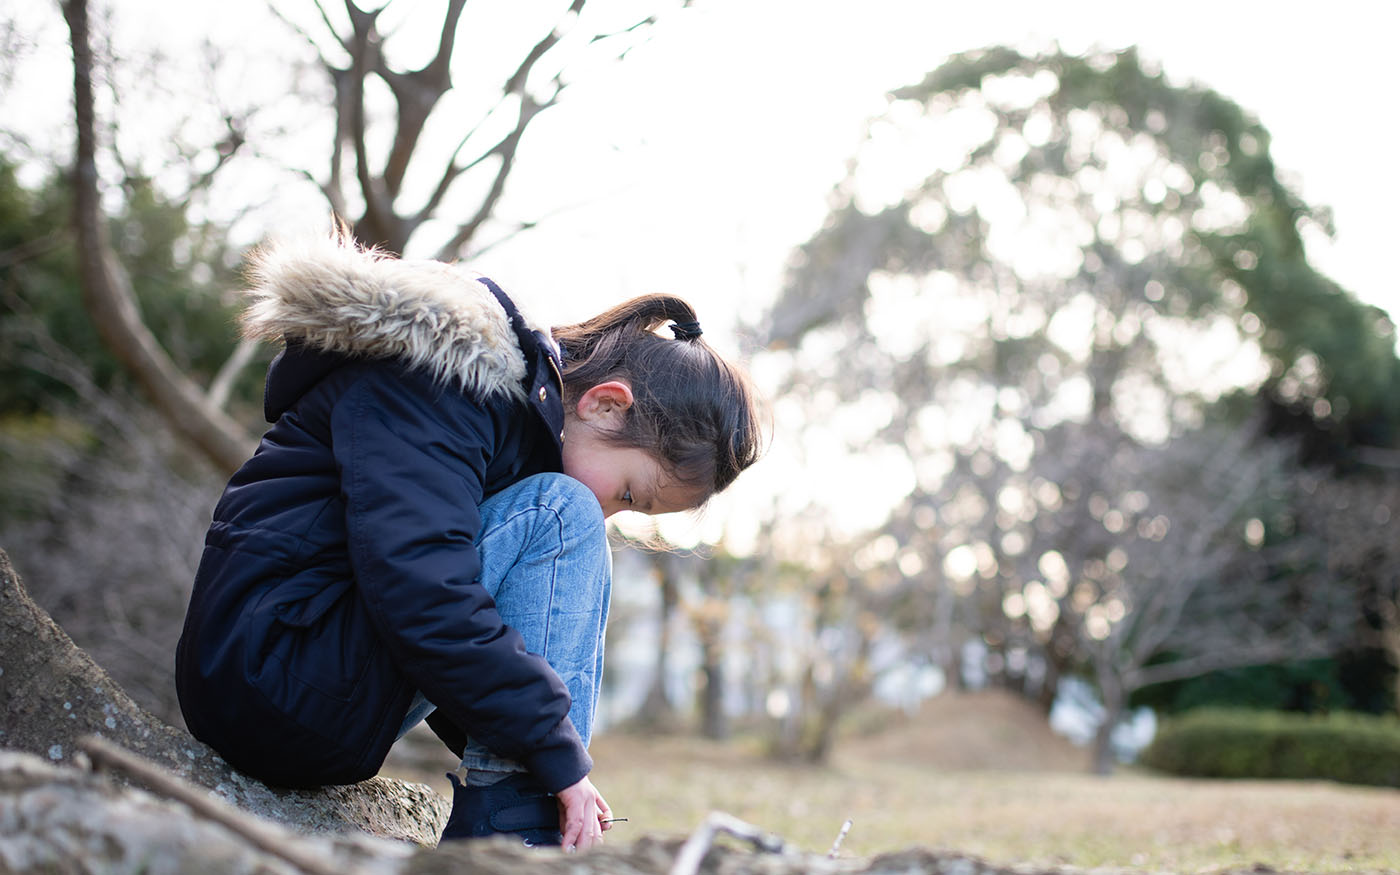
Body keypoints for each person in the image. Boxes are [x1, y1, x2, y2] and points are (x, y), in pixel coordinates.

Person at [174, 230, 763, 851]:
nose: (610, 515)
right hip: (278, 670)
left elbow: (442, 608)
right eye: (630, 495)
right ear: (606, 405)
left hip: (307, 687)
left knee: (558, 518)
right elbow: (422, 589)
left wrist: (547, 749)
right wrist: (551, 758)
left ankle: (519, 806)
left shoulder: (502, 424)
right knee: (562, 515)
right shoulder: (436, 382)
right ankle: (515, 822)